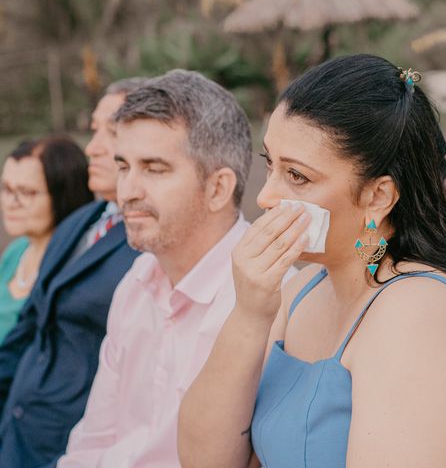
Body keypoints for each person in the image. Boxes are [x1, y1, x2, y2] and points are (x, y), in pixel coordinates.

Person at [178, 54, 446, 468]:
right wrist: (249, 314)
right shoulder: (304, 288)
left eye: (297, 177)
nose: (266, 198)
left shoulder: (419, 314)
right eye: (271, 166)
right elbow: (204, 460)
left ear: (377, 197)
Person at [59, 69, 281, 467]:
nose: (127, 192)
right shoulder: (136, 282)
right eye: (123, 167)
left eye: (154, 169)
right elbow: (93, 439)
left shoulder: (271, 303)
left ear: (218, 188)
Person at [0, 78, 147, 467]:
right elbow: (30, 329)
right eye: (94, 129)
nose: (93, 147)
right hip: (16, 433)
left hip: (69, 446)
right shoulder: (80, 221)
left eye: (111, 132)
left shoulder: (148, 244)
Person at [0, 137, 93, 342]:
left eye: (26, 192)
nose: (10, 203)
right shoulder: (17, 251)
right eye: (6, 189)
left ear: (64, 195)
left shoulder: (73, 267)